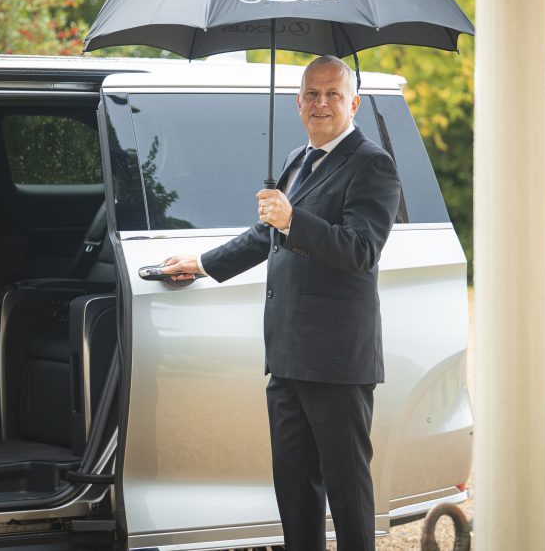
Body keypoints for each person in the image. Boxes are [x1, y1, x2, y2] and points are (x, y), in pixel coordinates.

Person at [159, 54, 401, 551]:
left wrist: (294, 221)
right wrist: (204, 262)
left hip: (336, 361)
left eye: (333, 93)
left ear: (353, 102)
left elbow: (361, 250)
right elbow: (264, 236)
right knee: (294, 490)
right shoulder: (297, 159)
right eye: (312, 93)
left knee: (347, 492)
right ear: (297, 103)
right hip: (287, 356)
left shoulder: (372, 163)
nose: (322, 103)